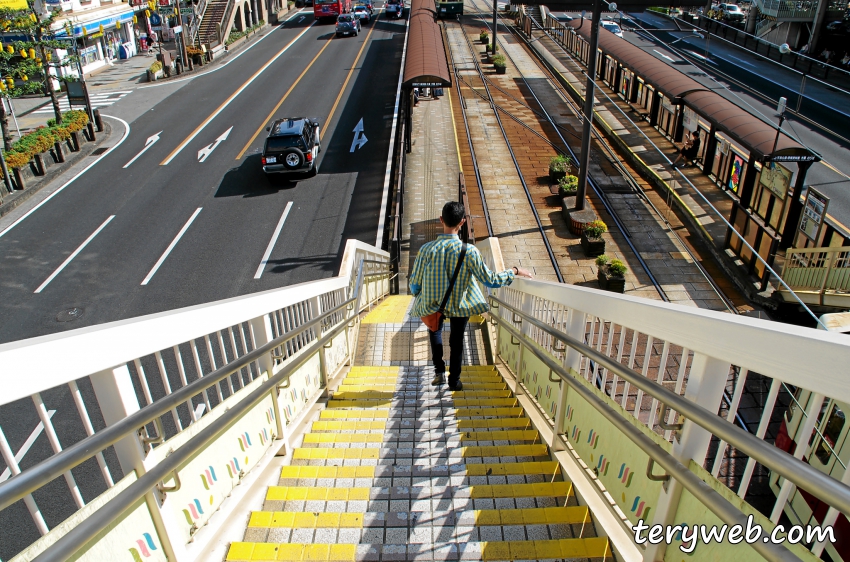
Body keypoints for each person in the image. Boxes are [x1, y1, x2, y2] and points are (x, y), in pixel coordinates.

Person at [409, 202, 533, 391]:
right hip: (460, 303)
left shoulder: (426, 249)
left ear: (441, 220)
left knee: (434, 330)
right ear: (463, 222)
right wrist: (514, 271)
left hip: (433, 302)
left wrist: (419, 294)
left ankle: (439, 372)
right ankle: (454, 381)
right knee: (457, 340)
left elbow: (415, 283)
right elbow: (490, 279)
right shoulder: (470, 252)